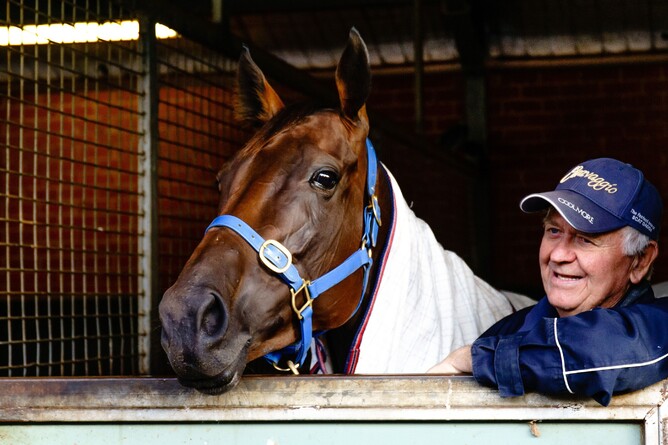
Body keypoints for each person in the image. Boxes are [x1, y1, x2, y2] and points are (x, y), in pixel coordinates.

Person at [428, 157, 668, 406]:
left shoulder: (660, 328)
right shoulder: (505, 332)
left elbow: (603, 349)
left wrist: (473, 359)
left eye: (585, 239)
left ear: (640, 260)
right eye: (554, 231)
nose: (557, 255)